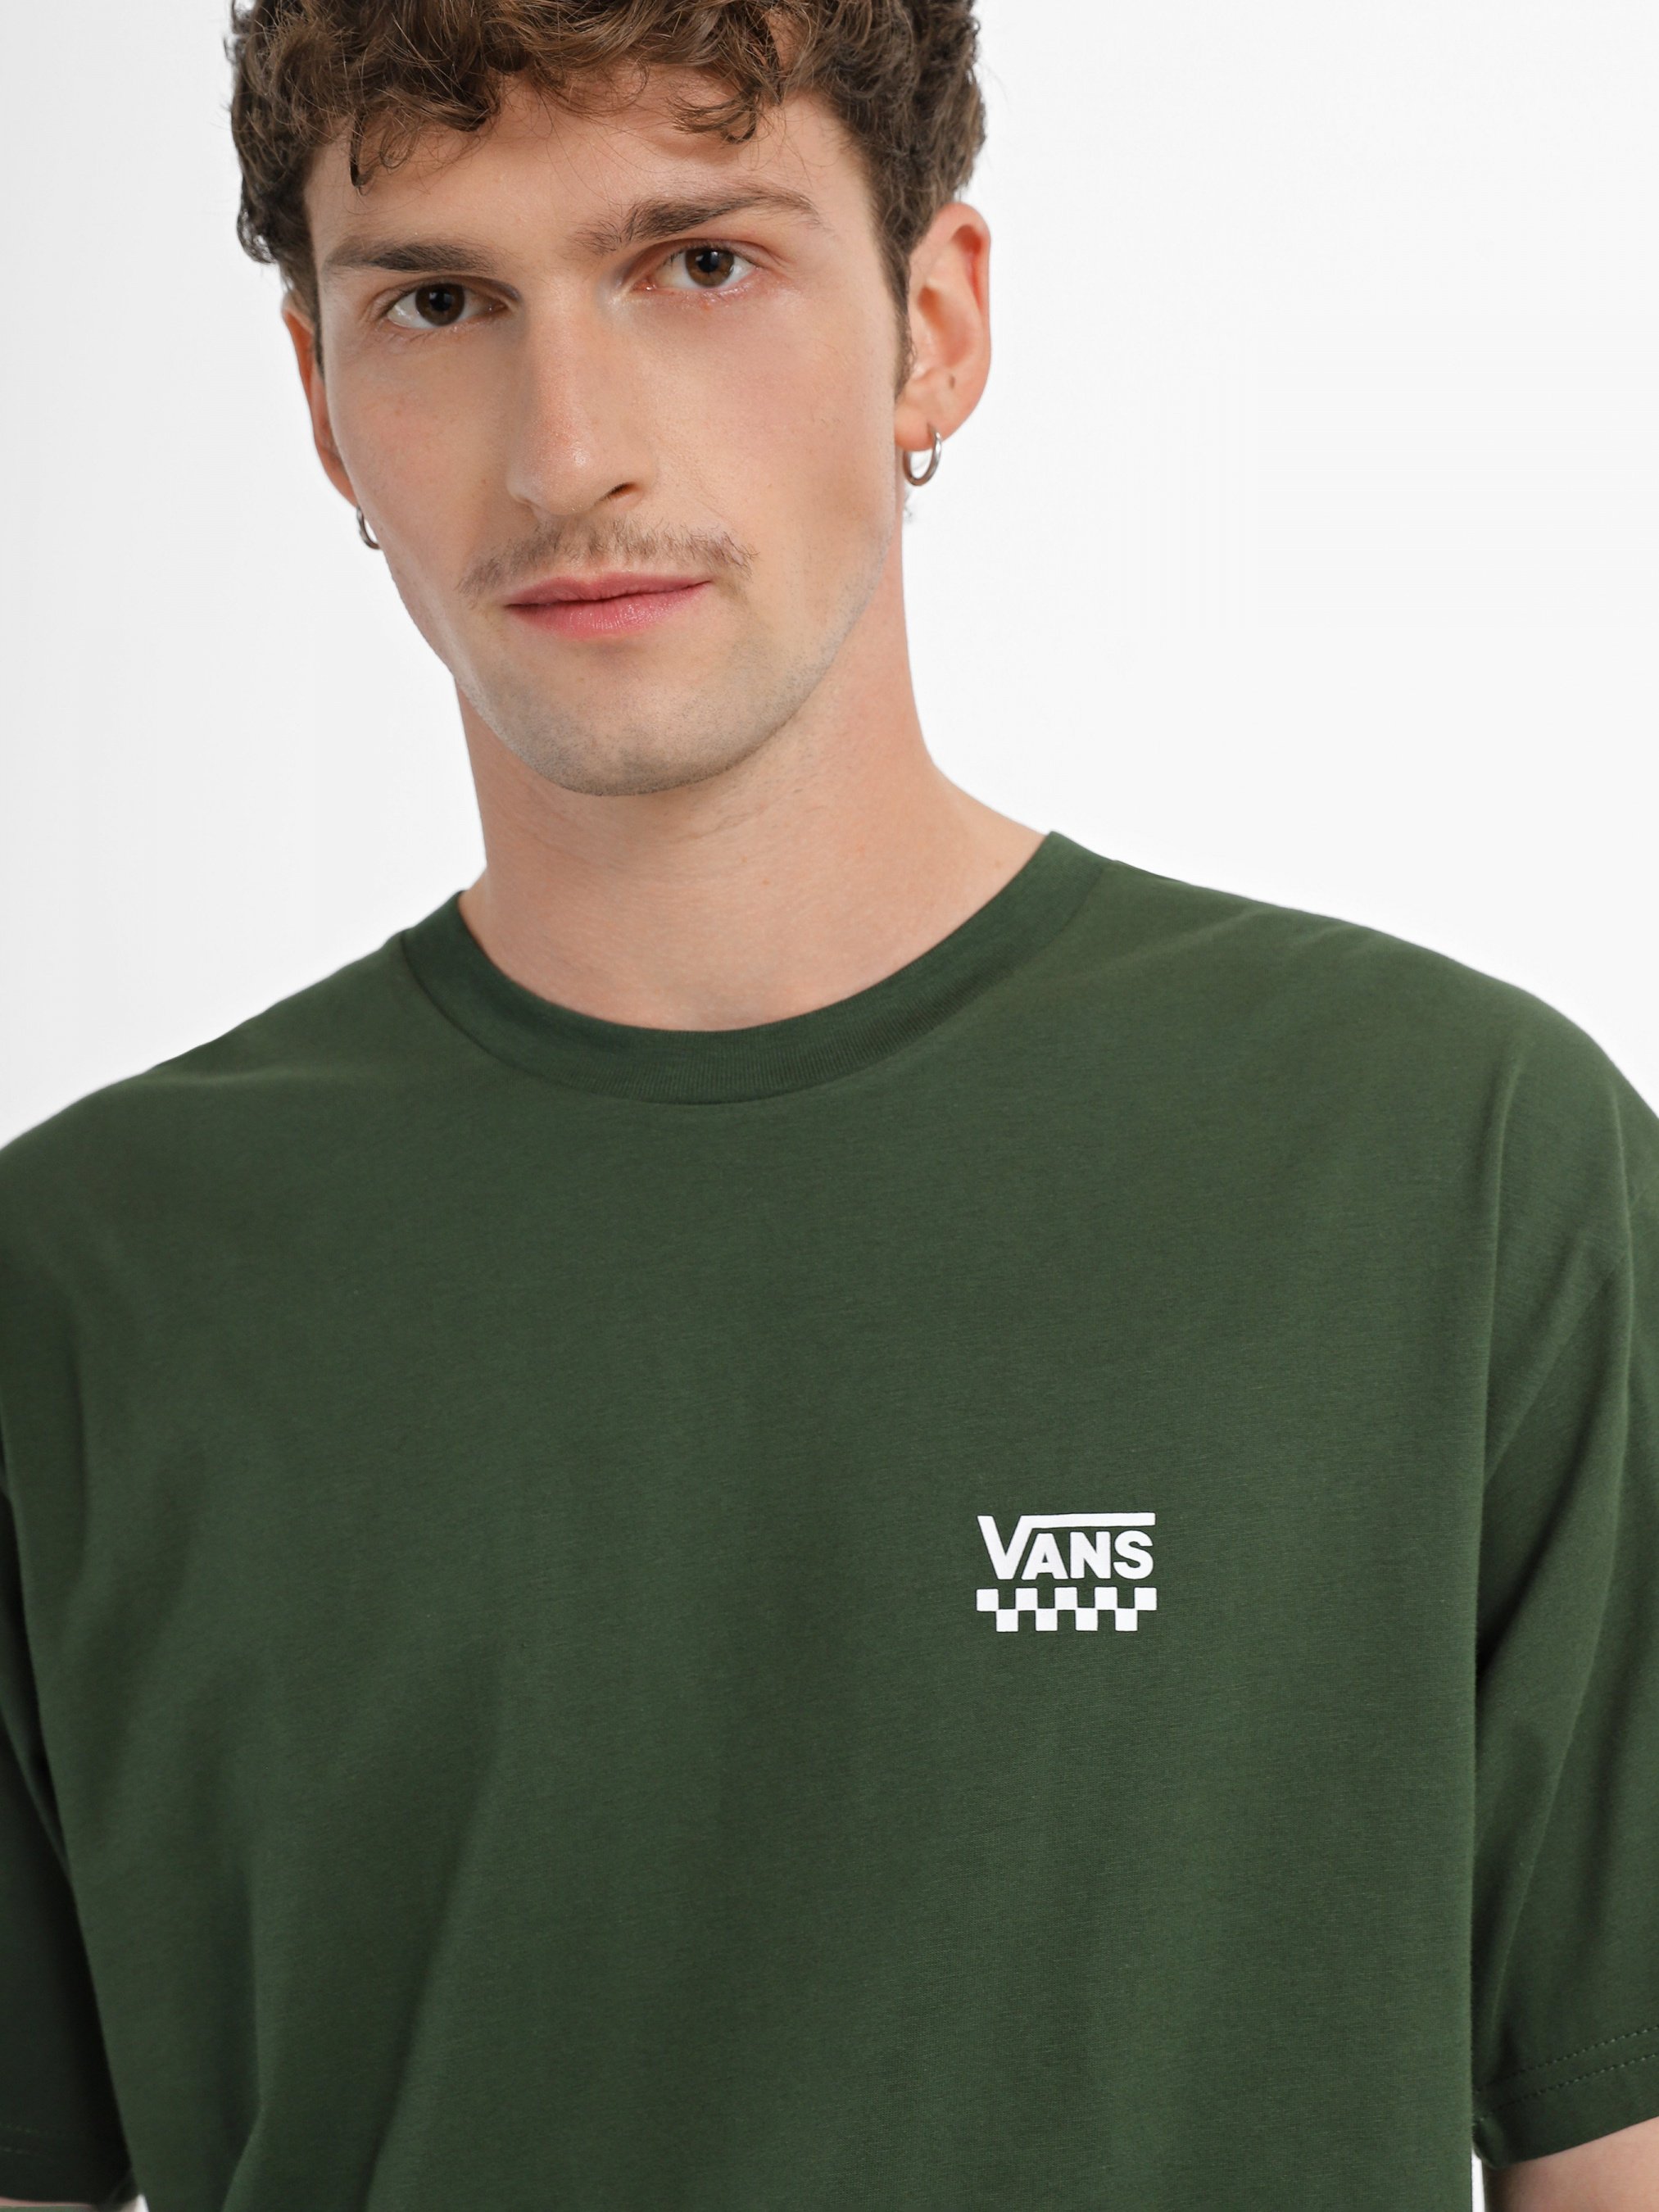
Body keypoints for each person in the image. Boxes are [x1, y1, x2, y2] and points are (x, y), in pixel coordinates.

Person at [1, 3, 1655, 2207]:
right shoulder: (77, 1290)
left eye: (699, 263)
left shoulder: (1459, 1169)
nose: (567, 451)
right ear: (320, 401)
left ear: (932, 328)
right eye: (440, 303)